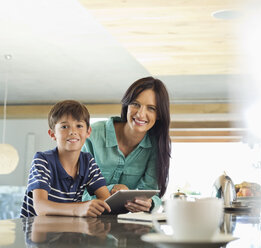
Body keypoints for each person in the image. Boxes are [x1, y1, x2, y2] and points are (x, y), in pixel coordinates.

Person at [82, 76, 171, 213]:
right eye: (135, 104)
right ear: (127, 105)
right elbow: (76, 192)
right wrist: (111, 190)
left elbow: (151, 193)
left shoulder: (156, 145)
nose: (141, 114)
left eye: (151, 108)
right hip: (83, 219)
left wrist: (149, 203)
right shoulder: (93, 135)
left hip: (121, 224)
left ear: (159, 114)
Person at [20, 100, 111, 218]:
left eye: (79, 126)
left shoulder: (88, 161)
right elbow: (41, 207)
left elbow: (106, 201)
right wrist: (79, 208)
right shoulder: (42, 160)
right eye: (64, 126)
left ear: (88, 132)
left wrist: (86, 206)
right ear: (53, 134)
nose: (73, 131)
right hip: (37, 231)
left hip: (68, 230)